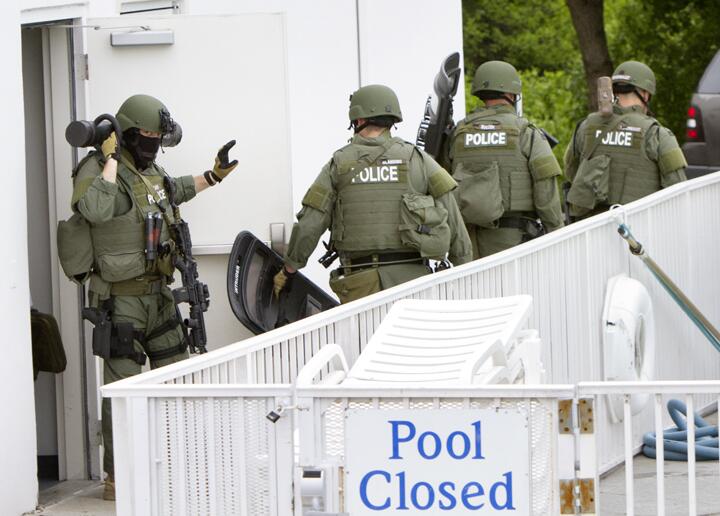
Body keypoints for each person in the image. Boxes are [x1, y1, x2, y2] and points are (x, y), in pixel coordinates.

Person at [66, 94, 238, 500]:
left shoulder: (150, 170)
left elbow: (171, 191)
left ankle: (177, 465)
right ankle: (117, 476)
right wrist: (108, 159)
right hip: (121, 301)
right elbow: (93, 208)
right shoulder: (98, 168)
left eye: (158, 137)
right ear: (124, 135)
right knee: (123, 394)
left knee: (176, 380)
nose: (153, 143)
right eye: (145, 136)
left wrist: (211, 177)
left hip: (159, 297)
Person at [273, 84, 472, 304]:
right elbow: (452, 216)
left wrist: (289, 270)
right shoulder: (418, 158)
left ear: (357, 119)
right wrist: (465, 266)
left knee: (367, 339)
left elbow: (311, 223)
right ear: (392, 119)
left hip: (360, 284)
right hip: (414, 283)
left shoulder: (339, 163)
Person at [443, 60, 564, 259]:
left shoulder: (459, 133)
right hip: (515, 243)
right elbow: (545, 187)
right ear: (511, 94)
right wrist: (557, 230)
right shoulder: (525, 132)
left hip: (468, 244)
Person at [564, 60, 687, 220]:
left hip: (590, 230)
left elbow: (570, 171)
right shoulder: (656, 134)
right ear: (645, 94)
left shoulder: (586, 127)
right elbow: (677, 189)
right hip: (639, 230)